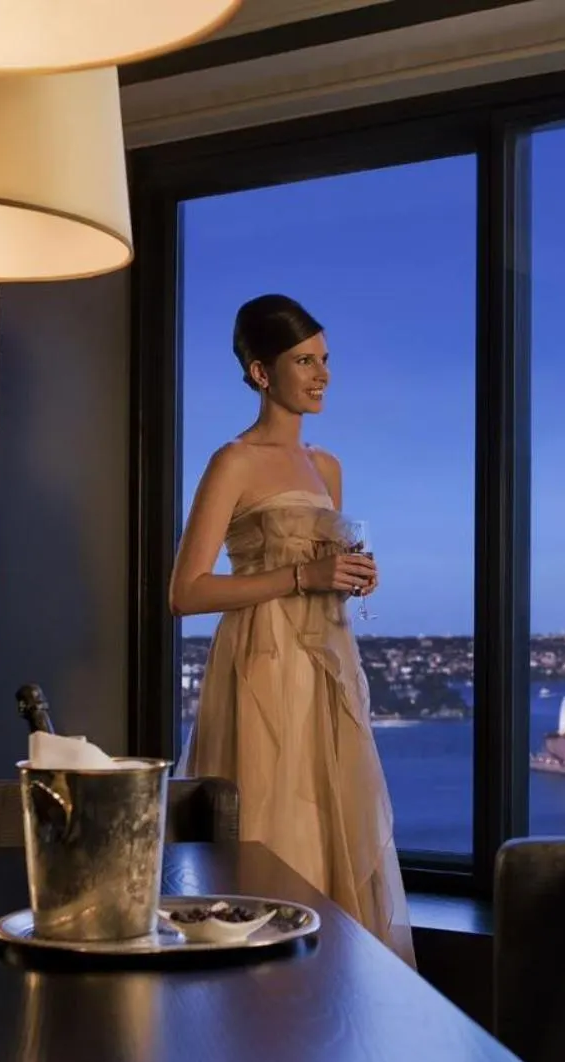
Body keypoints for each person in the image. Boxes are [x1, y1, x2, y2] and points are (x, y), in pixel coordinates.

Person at [170, 294, 414, 965]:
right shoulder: (233, 461)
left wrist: (351, 575)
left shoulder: (326, 466)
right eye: (304, 360)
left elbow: (323, 563)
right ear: (260, 372)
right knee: (277, 823)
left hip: (327, 661)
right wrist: (304, 576)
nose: (322, 373)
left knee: (331, 821)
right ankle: (259, 996)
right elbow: (186, 592)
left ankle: (329, 993)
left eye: (325, 358)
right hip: (263, 661)